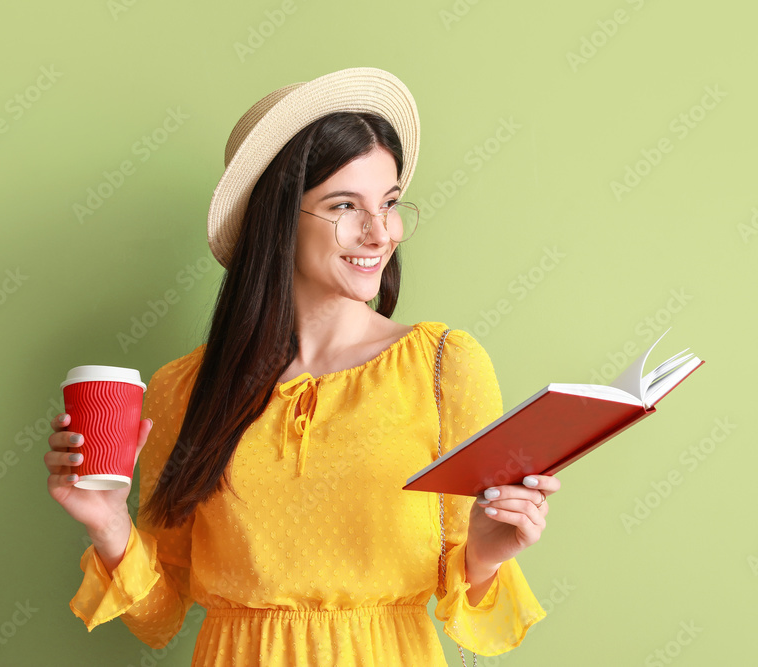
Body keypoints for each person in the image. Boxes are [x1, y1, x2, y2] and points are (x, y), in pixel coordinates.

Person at [44, 67, 558, 666]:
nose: (378, 233)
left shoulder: (445, 368)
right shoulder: (183, 389)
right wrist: (107, 522)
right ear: (278, 216)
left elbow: (467, 599)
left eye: (389, 204)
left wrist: (488, 556)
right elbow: (159, 619)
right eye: (344, 205)